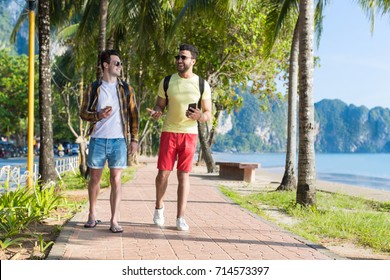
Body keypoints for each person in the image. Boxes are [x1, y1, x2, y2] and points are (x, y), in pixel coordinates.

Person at [147, 44, 212, 231]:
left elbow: (208, 113)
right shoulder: (167, 81)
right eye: (178, 57)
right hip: (169, 131)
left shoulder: (202, 84)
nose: (179, 60)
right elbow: (159, 105)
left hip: (190, 135)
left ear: (193, 61)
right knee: (163, 174)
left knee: (183, 175)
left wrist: (200, 116)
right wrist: (157, 112)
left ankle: (180, 217)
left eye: (184, 57)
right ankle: (159, 208)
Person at [80, 49, 139, 233]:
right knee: (95, 180)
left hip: (118, 141)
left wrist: (134, 140)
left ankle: (114, 220)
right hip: (98, 140)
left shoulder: (126, 89)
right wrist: (98, 115)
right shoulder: (93, 87)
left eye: (120, 63)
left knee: (116, 180)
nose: (120, 66)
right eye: (116, 63)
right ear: (106, 65)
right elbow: (83, 113)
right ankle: (92, 215)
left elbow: (134, 115)